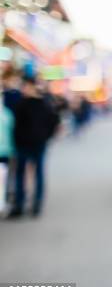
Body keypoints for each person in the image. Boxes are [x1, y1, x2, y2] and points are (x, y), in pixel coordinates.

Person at [8, 77, 59, 218]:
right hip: (22, 145)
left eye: (27, 86)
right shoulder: (21, 104)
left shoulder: (43, 104)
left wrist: (46, 137)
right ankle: (19, 204)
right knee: (21, 174)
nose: (25, 89)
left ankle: (36, 203)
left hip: (37, 144)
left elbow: (54, 121)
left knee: (37, 173)